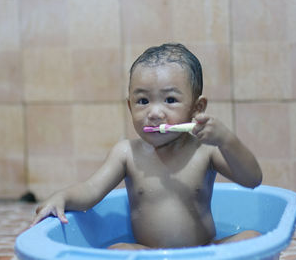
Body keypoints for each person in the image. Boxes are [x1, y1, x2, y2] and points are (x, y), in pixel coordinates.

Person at [31, 43, 262, 250]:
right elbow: (91, 190)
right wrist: (61, 196)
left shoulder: (206, 150)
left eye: (170, 100)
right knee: (118, 252)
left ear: (197, 108)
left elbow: (252, 180)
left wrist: (226, 140)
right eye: (143, 101)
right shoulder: (126, 154)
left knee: (253, 238)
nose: (153, 113)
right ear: (130, 107)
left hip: (205, 252)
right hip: (149, 255)